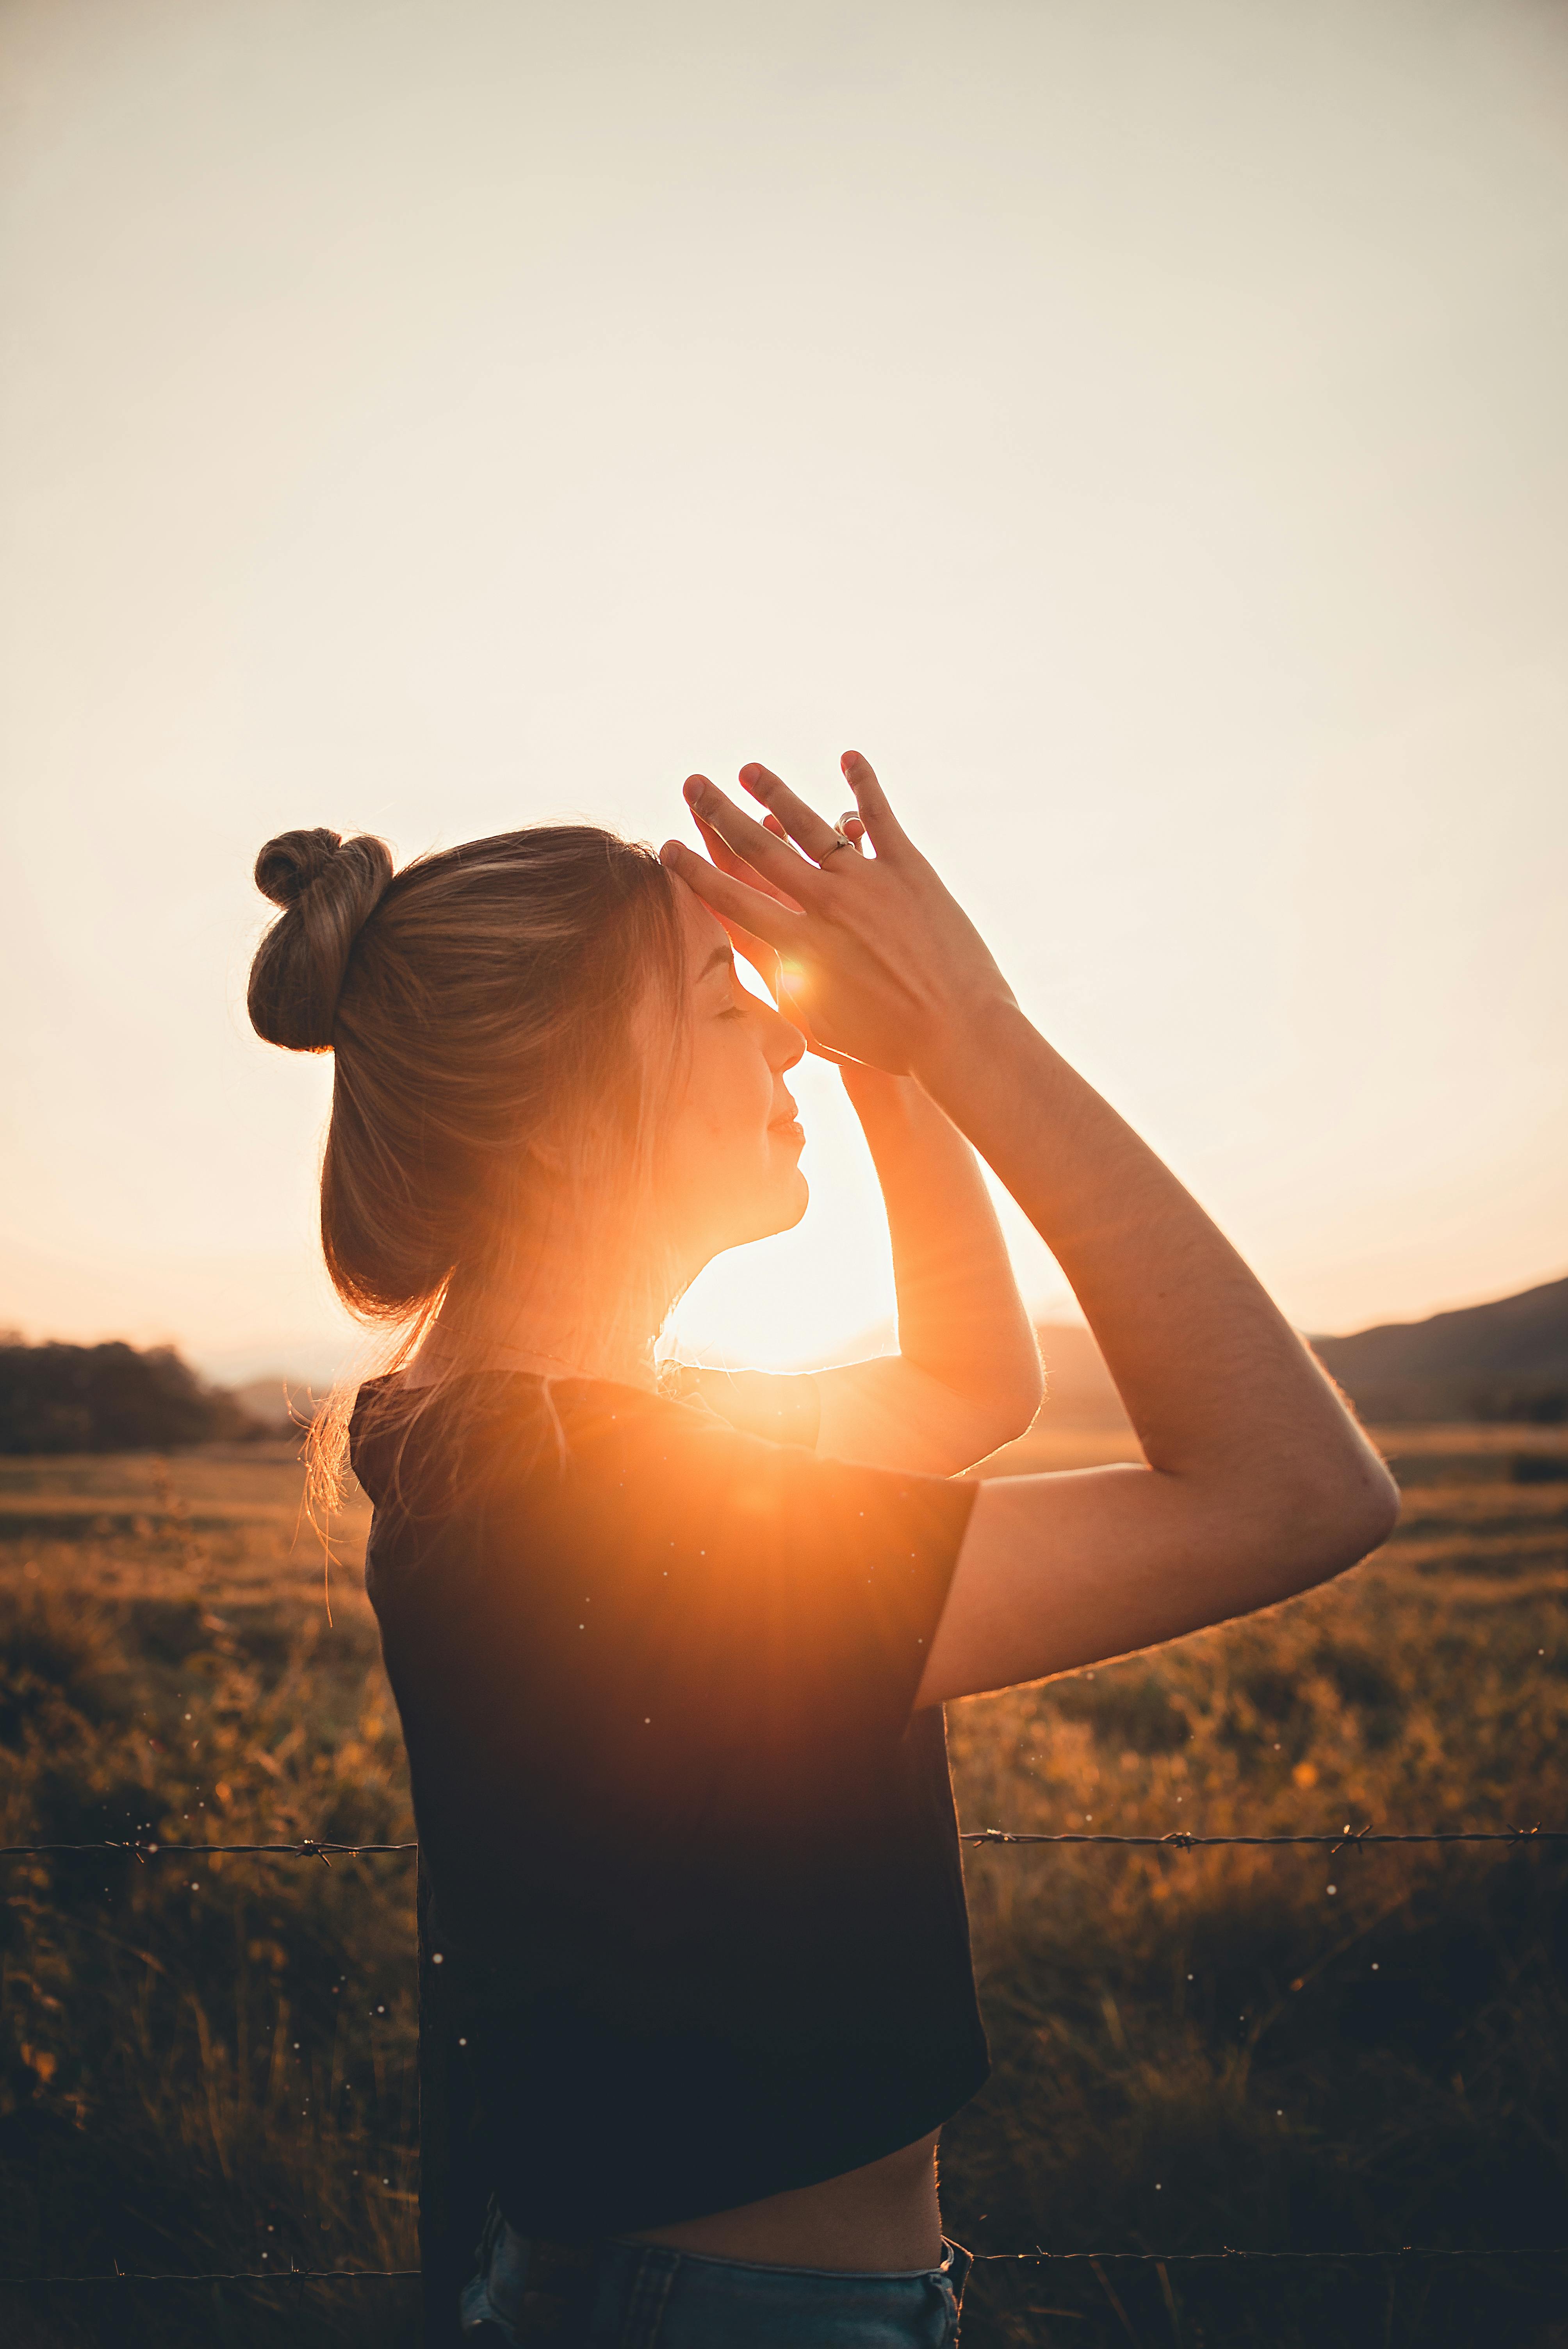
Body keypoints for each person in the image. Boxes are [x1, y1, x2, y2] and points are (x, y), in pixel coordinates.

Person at [246, 754, 1398, 2348]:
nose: (784, 1026)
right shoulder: (609, 1505)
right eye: (728, 1004)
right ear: (567, 1116)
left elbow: (965, 1387)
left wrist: (887, 1065)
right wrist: (971, 1031)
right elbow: (1293, 1490)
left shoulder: (522, 1445)